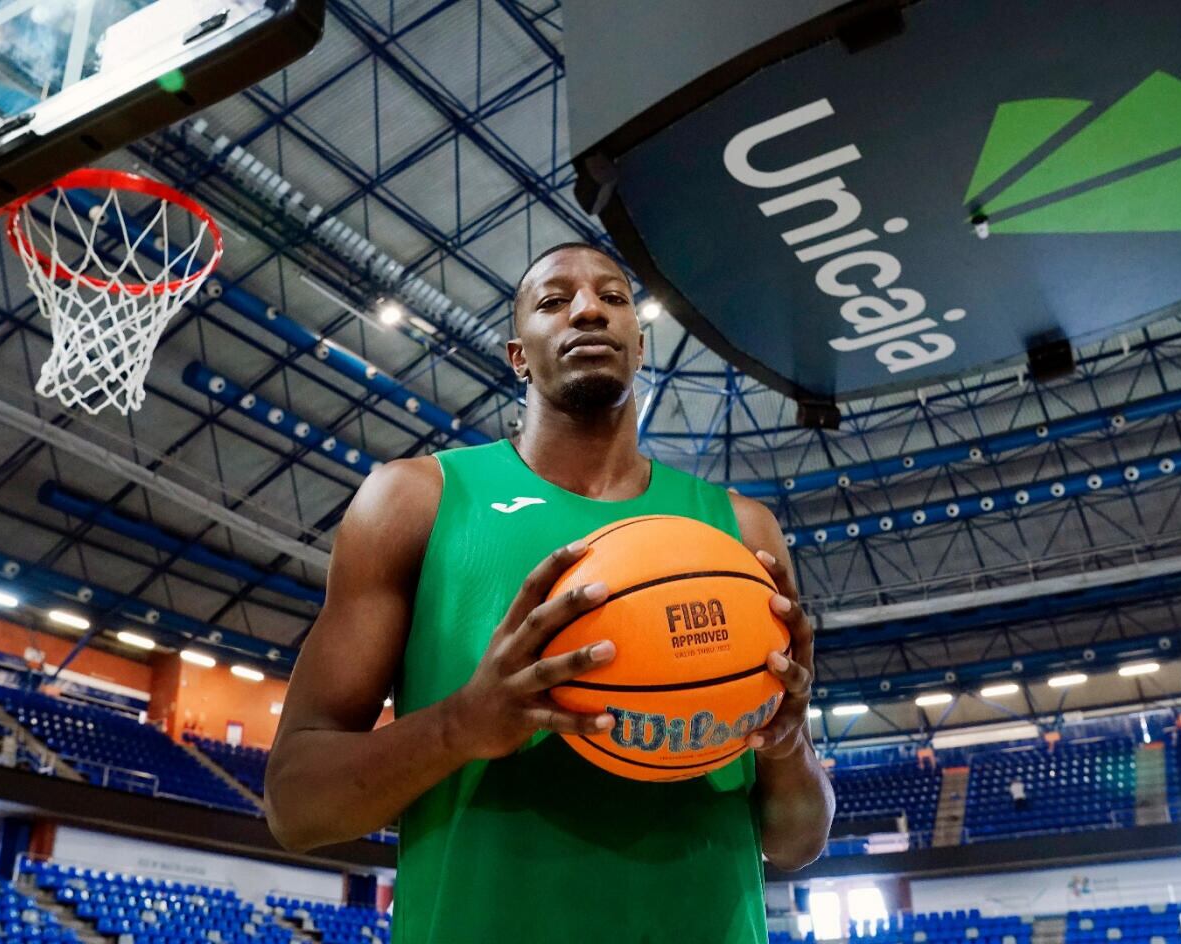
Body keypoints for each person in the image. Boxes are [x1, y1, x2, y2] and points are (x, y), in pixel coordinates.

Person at [265, 242, 834, 944]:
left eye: (613, 297)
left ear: (640, 345)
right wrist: (458, 727)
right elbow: (294, 803)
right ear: (518, 356)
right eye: (554, 301)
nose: (589, 310)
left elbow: (796, 843)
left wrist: (785, 749)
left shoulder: (741, 531)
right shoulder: (416, 501)